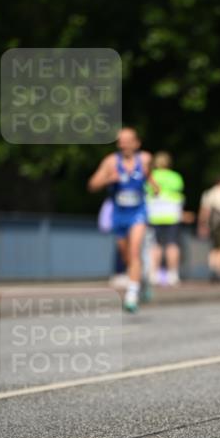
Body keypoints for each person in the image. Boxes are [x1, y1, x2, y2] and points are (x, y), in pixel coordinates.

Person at [88, 126, 157, 312]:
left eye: (128, 140)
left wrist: (154, 187)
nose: (124, 143)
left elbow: (152, 182)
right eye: (121, 140)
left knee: (135, 252)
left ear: (137, 143)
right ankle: (141, 279)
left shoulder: (145, 159)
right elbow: (92, 185)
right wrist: (108, 180)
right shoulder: (111, 162)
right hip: (119, 214)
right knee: (126, 255)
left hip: (138, 212)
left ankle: (131, 296)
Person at [146, 151, 187, 286]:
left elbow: (146, 192)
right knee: (172, 244)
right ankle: (173, 274)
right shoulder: (175, 177)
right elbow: (179, 192)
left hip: (154, 214)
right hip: (172, 215)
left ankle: (153, 274)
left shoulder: (151, 176)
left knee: (155, 245)